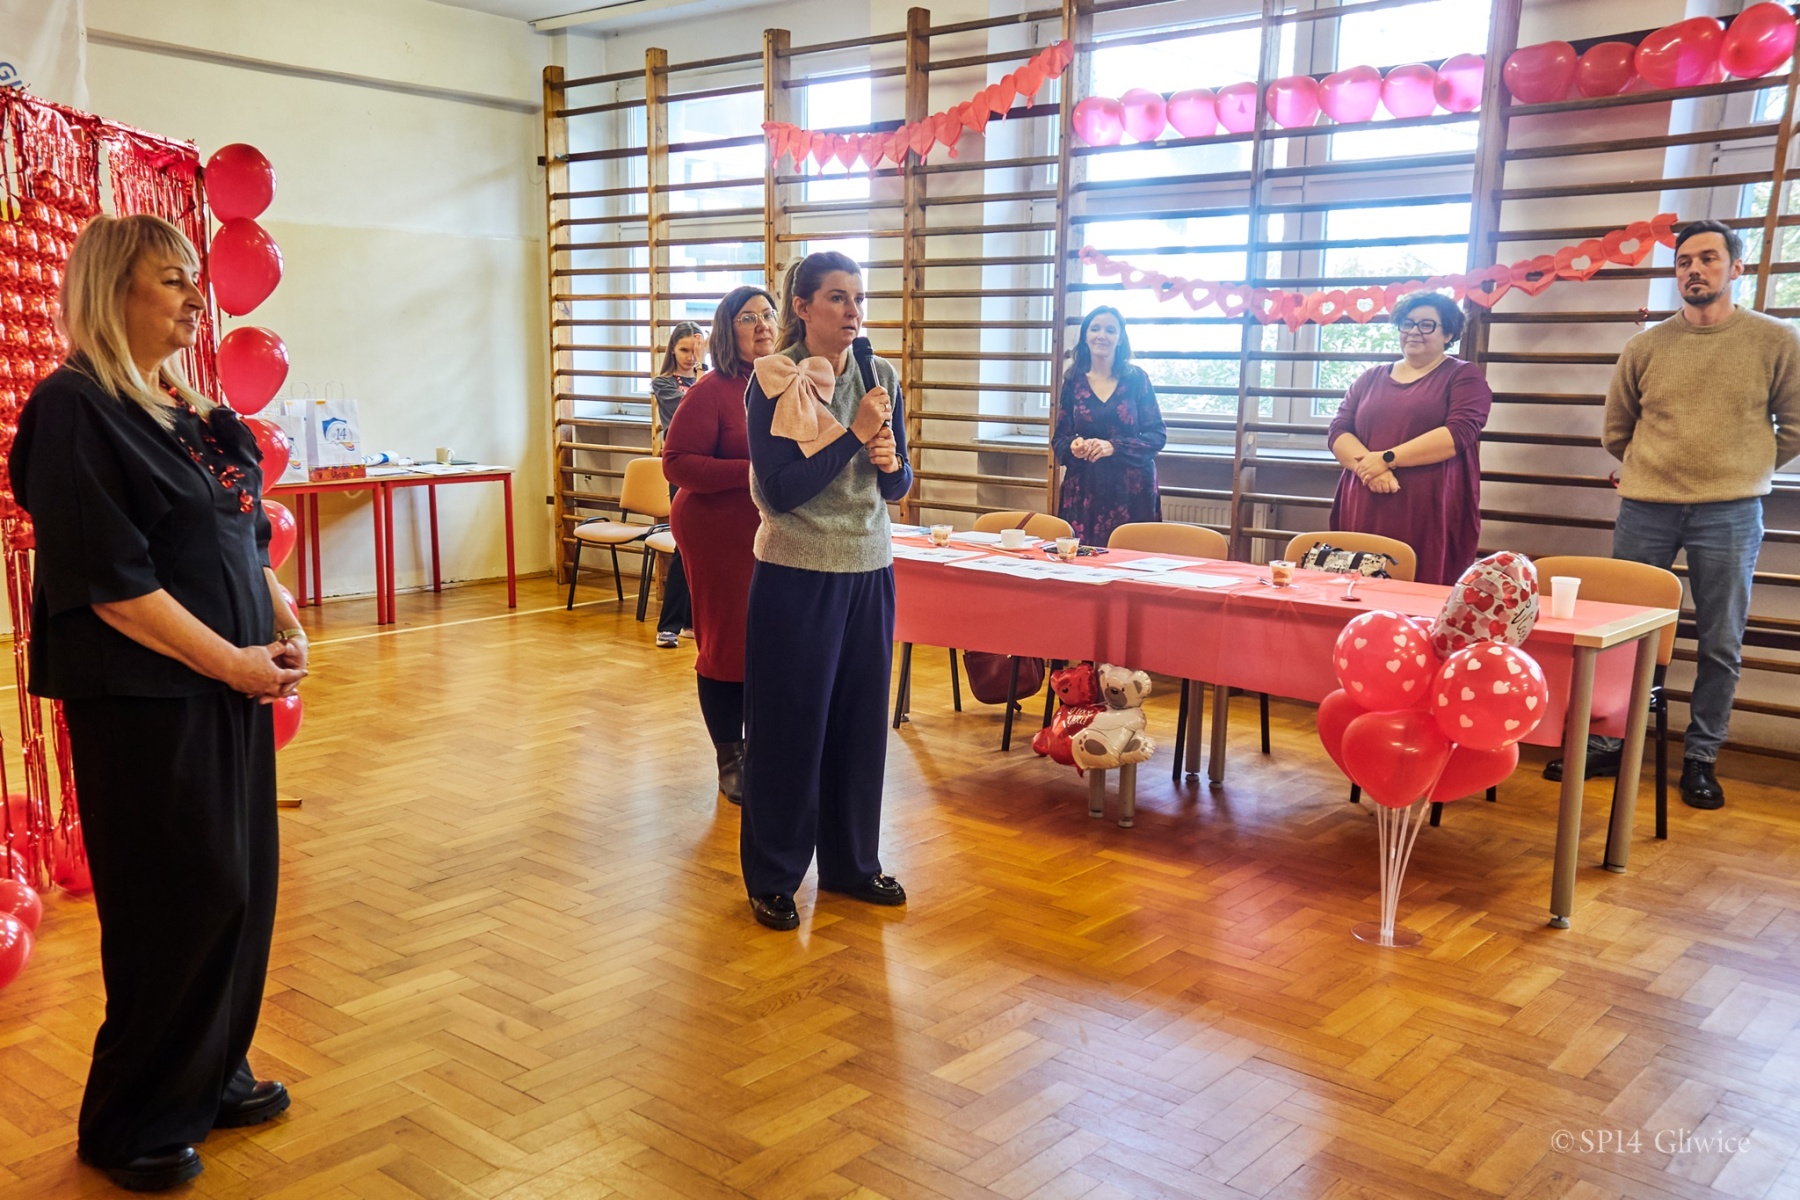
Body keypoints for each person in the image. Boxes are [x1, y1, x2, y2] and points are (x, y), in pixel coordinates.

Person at [8, 215, 306, 1192]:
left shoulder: (186, 408)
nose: (195, 296)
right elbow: (113, 585)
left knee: (240, 885)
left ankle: (210, 1075)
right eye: (172, 280)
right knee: (179, 899)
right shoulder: (75, 408)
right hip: (146, 697)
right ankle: (133, 1119)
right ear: (114, 291)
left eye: (194, 279)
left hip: (227, 680)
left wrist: (279, 613)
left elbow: (237, 533)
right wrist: (231, 663)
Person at [1546, 220, 1800, 808]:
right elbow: (1617, 431)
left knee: (1720, 641)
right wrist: (1655, 470)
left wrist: (1741, 470)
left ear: (1735, 268)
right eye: (1685, 261)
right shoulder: (1646, 346)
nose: (1694, 270)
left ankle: (1701, 758)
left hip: (1730, 512)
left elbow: (1794, 427)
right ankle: (1609, 742)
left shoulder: (1777, 340)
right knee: (1621, 633)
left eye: (1708, 258)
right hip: (1646, 508)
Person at [739, 251, 912, 931]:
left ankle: (852, 865)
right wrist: (855, 435)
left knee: (859, 729)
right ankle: (775, 877)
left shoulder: (879, 374)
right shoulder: (774, 378)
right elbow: (781, 493)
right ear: (802, 307)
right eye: (837, 298)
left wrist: (890, 464)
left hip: (869, 568)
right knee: (790, 730)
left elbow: (897, 484)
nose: (852, 311)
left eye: (858, 298)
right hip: (797, 573)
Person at [662, 288, 773, 804]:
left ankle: (764, 751)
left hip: (775, 532)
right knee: (727, 644)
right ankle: (731, 759)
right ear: (727, 331)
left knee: (768, 644)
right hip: (717, 531)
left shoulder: (785, 381)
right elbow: (677, 463)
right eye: (748, 318)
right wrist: (754, 472)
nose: (762, 324)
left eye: (768, 314)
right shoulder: (711, 390)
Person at [1326, 290, 1493, 586]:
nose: (1414, 331)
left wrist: (1386, 459)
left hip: (1428, 507)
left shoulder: (1464, 376)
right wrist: (1371, 469)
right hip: (1364, 500)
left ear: (1448, 334)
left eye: (1427, 325)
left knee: (1420, 591)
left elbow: (1458, 433)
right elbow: (1339, 431)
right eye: (1407, 323)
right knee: (1354, 590)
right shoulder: (1370, 377)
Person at [1053, 306, 1167, 545]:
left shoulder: (1137, 379)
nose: (1101, 335)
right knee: (1081, 561)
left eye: (1110, 330)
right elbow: (1059, 439)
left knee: (1130, 559)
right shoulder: (1073, 381)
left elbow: (1157, 436)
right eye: (1095, 328)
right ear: (1085, 336)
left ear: (1120, 338)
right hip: (1084, 488)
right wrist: (1074, 446)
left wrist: (1114, 446)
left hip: (1132, 492)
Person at [650, 322, 704, 648]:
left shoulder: (707, 378)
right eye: (684, 350)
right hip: (682, 469)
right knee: (683, 544)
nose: (690, 357)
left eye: (695, 350)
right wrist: (705, 373)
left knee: (705, 547)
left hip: (709, 464)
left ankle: (692, 620)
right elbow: (689, 412)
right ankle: (668, 624)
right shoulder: (664, 383)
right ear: (673, 350)